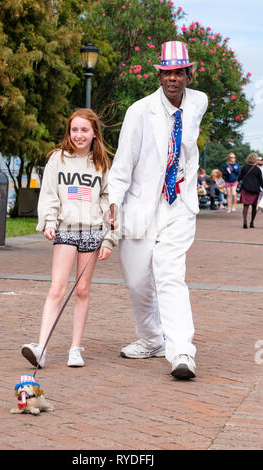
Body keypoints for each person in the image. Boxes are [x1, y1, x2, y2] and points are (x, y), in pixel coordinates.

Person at [108, 40, 208, 379]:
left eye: (179, 72)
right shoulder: (139, 111)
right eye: (167, 73)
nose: (173, 79)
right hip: (139, 205)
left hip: (179, 203)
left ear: (188, 74)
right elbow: (123, 164)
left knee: (169, 274)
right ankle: (152, 339)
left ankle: (181, 352)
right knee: (137, 281)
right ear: (160, 74)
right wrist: (113, 202)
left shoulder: (198, 103)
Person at [21, 108, 114, 368]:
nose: (79, 135)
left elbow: (111, 202)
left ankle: (76, 348)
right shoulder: (58, 159)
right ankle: (41, 347)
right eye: (74, 130)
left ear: (94, 133)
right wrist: (49, 222)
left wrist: (109, 239)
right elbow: (49, 193)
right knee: (57, 289)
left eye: (84, 130)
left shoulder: (102, 164)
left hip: (92, 231)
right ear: (68, 132)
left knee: (82, 290)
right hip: (66, 230)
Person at [239, 153, 263, 229]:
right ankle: (252, 222)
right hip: (255, 190)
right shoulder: (257, 169)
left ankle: (245, 219)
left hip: (245, 189)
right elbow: (261, 181)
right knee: (254, 206)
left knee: (245, 206)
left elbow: (239, 178)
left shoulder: (244, 168)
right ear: (255, 160)